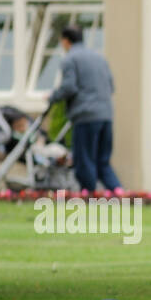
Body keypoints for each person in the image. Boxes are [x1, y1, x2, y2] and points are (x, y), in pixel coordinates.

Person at [47, 25, 120, 194]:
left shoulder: (69, 59)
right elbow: (111, 86)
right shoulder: (99, 58)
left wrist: (52, 97)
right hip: (106, 115)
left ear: (65, 41)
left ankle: (89, 195)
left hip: (85, 117)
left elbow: (69, 87)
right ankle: (120, 194)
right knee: (103, 162)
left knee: (83, 160)